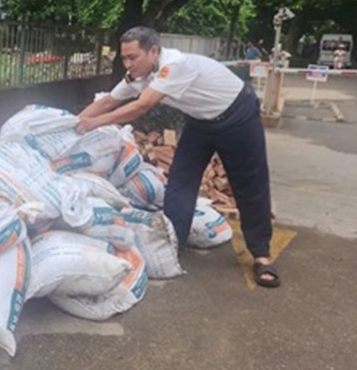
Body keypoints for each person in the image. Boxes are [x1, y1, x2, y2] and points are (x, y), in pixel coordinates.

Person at [76, 26, 280, 288]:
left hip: (237, 116)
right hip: (200, 121)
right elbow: (108, 101)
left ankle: (261, 255)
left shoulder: (174, 65)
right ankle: (172, 245)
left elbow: (142, 106)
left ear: (153, 51)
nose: (127, 64)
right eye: (123, 58)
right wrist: (74, 122)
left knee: (250, 185)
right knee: (180, 182)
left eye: (132, 57)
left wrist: (93, 124)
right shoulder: (138, 75)